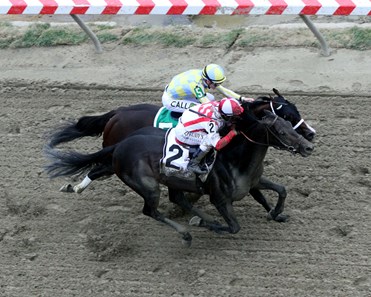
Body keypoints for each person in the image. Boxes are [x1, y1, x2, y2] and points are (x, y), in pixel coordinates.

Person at [173, 97, 244, 174]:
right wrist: (233, 132)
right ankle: (193, 164)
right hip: (184, 132)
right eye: (233, 116)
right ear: (225, 115)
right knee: (208, 141)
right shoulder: (212, 123)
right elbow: (218, 145)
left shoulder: (219, 105)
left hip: (188, 118)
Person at [162, 64, 253, 115]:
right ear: (208, 81)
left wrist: (242, 98)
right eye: (216, 84)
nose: (218, 86)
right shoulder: (196, 84)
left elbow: (224, 90)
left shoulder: (205, 77)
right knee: (199, 110)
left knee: (212, 97)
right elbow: (207, 105)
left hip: (183, 94)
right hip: (171, 99)